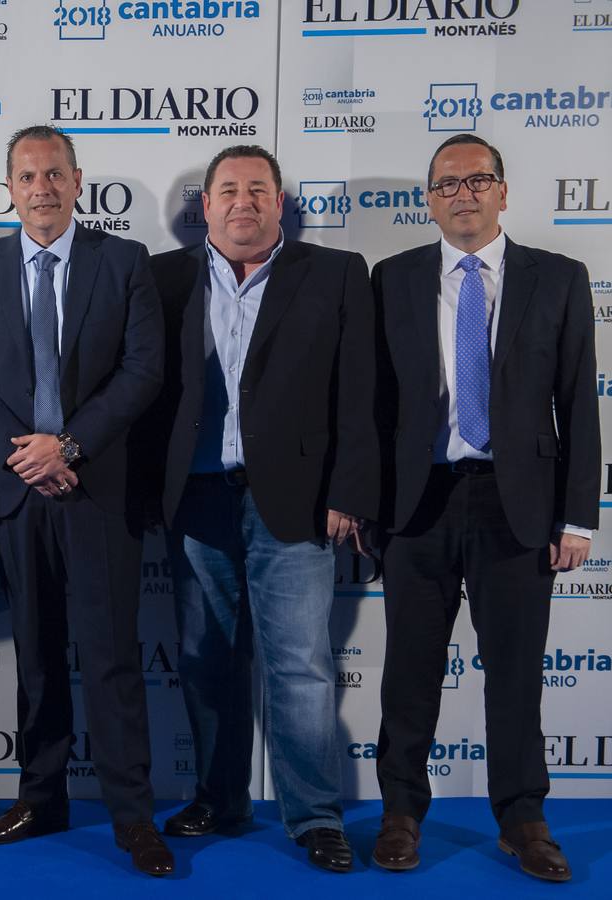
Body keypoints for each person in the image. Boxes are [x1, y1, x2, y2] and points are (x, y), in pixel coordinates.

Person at [0, 125, 171, 876]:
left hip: (97, 490)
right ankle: (40, 798)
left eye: (54, 174)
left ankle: (133, 817)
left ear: (79, 181)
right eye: (27, 176)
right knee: (37, 660)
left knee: (109, 660)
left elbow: (143, 370)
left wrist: (67, 447)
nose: (41, 188)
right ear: (8, 187)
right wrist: (26, 453)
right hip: (15, 495)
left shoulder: (124, 262)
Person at [371, 134, 598, 883]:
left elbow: (579, 407)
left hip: (519, 503)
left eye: (478, 180)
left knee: (515, 673)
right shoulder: (393, 279)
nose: (462, 193)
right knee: (408, 671)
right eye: (446, 184)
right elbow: (372, 406)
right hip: (419, 503)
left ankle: (522, 819)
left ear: (503, 192)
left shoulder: (559, 279)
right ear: (428, 200)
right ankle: (402, 812)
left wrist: (578, 517)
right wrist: (369, 509)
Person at [149, 145, 377, 873]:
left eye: (257, 189)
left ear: (279, 203)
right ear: (205, 206)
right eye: (228, 190)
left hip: (299, 504)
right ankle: (220, 798)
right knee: (206, 660)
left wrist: (349, 491)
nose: (242, 201)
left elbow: (359, 393)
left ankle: (313, 818)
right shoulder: (162, 278)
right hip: (198, 500)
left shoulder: (337, 274)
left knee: (301, 668)